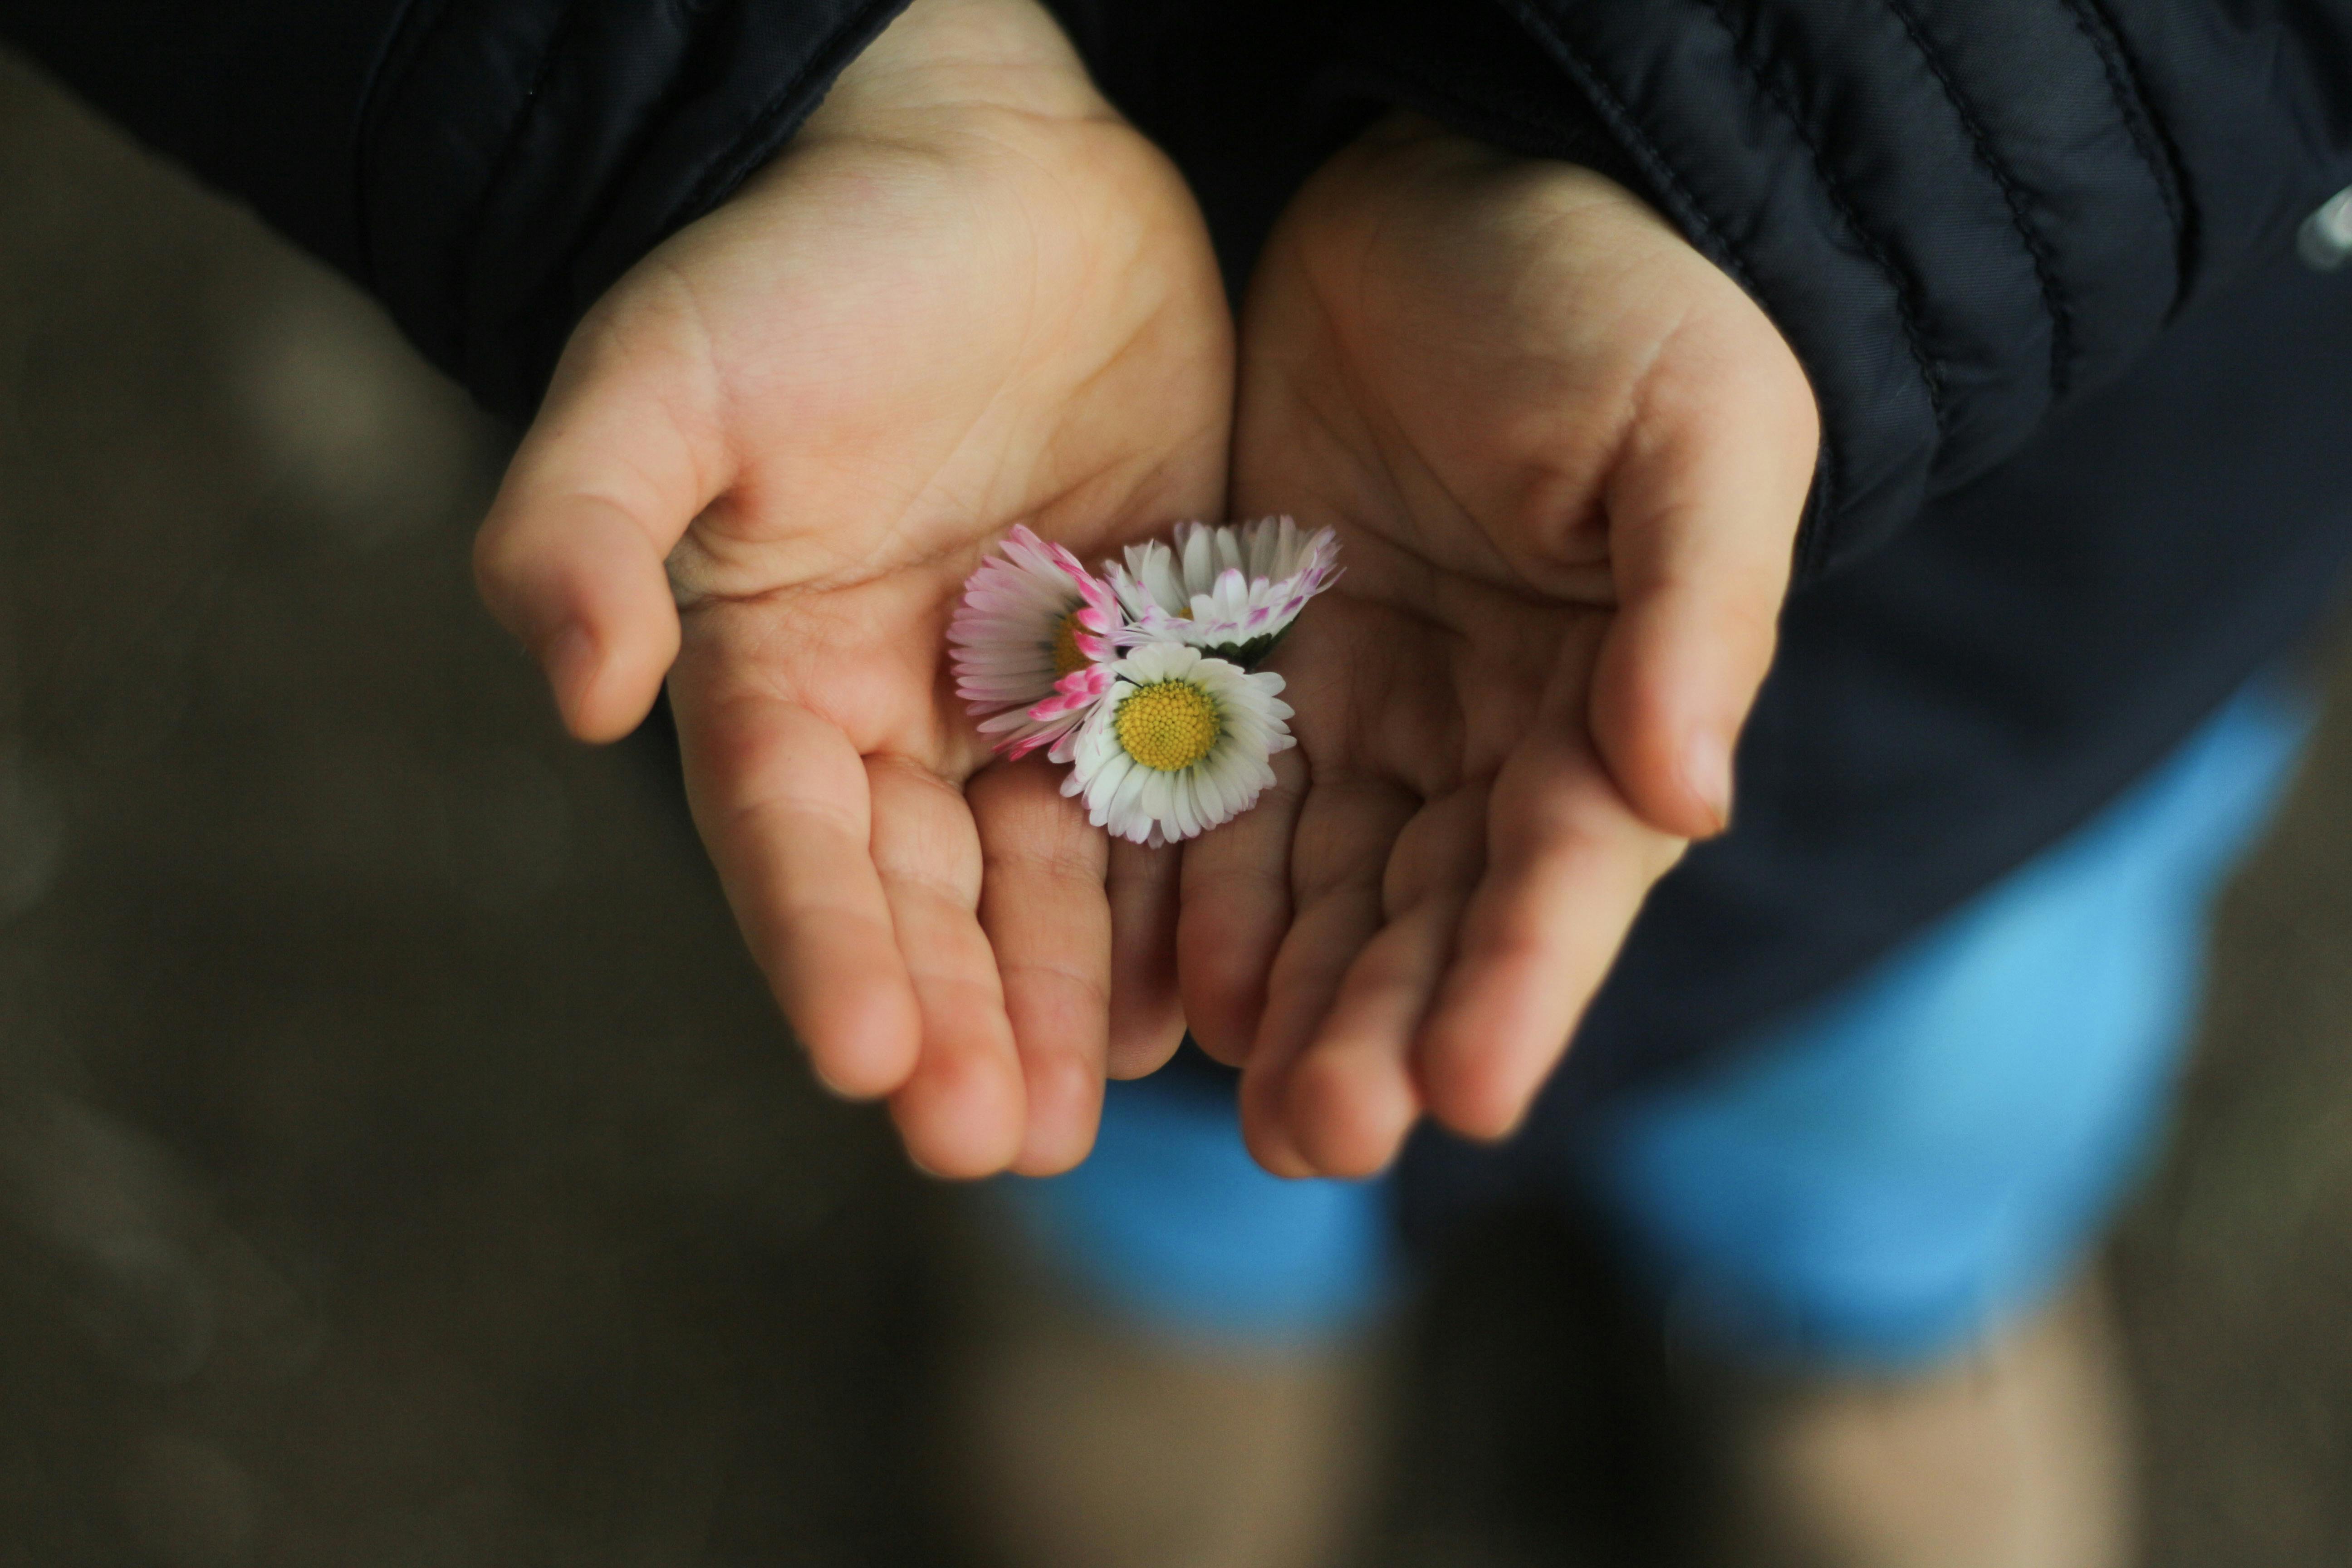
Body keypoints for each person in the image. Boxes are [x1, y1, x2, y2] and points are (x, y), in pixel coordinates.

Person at [2, 0, 2348, 1561]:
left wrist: (1828, 152)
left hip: (2074, 415)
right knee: (1115, 1039)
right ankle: (1174, 1285)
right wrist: (704, 88)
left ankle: (1874, 1301)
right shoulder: (1083, 667)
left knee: (1950, 1039)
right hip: (887, 293)